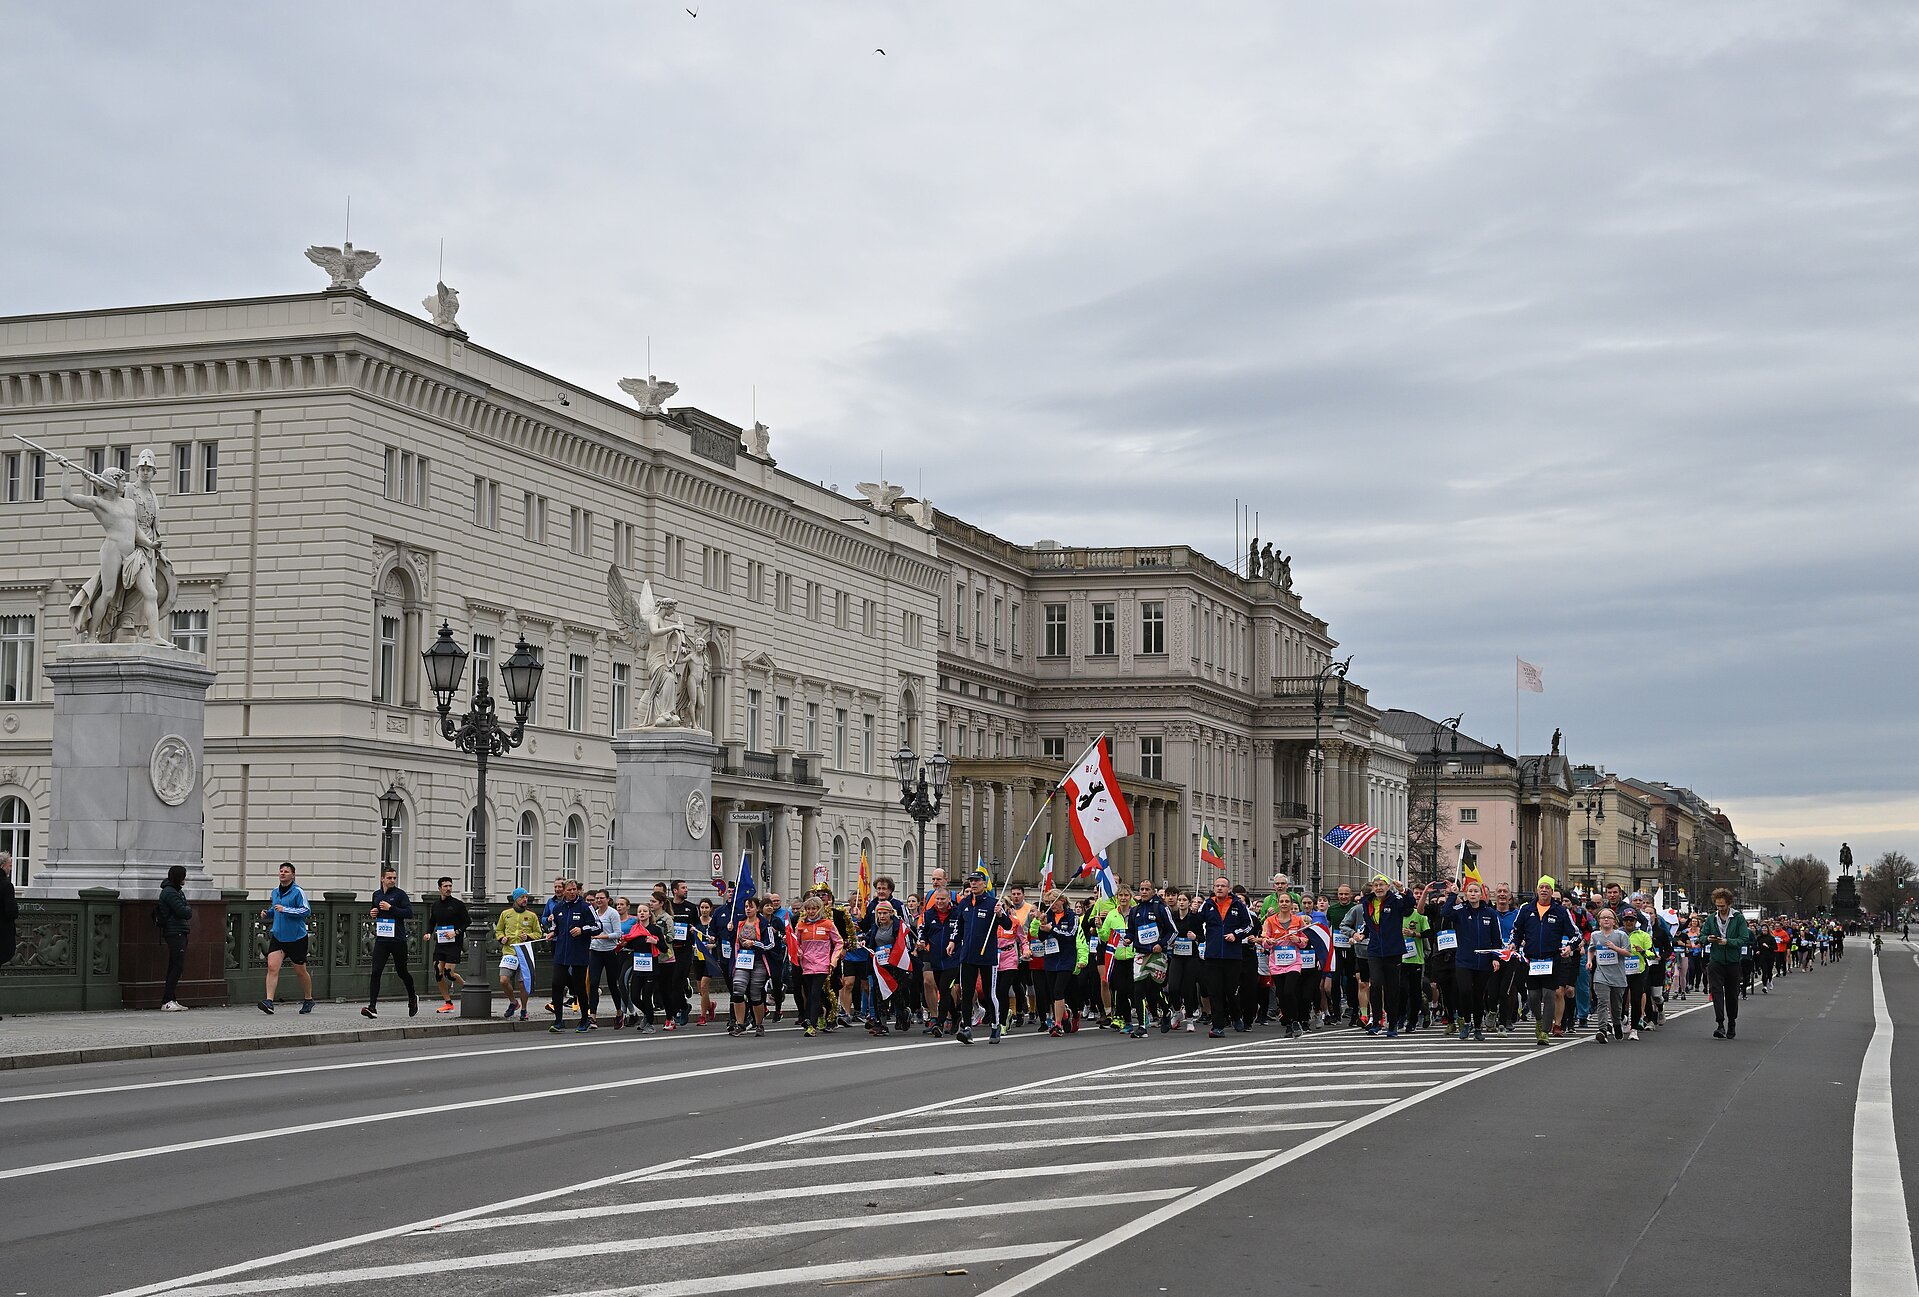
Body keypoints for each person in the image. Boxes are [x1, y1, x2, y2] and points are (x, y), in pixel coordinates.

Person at [1505, 877, 1576, 1047]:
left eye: (1547, 888)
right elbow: (1517, 931)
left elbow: (1575, 934)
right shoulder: (1526, 909)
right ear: (1537, 890)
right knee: (1533, 996)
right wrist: (1514, 942)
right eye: (1541, 887)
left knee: (1550, 994)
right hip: (1532, 960)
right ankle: (1538, 1019)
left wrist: (1569, 947)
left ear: (1552, 891)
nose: (1544, 890)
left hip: (1552, 959)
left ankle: (1545, 1031)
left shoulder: (1560, 911)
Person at [950, 869, 1011, 1044]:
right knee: (966, 992)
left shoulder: (993, 903)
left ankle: (995, 1025)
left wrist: (1000, 914)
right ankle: (967, 1028)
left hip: (987, 955)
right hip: (967, 955)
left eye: (977, 881)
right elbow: (959, 927)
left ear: (984, 883)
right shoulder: (964, 903)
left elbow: (1007, 925)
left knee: (990, 992)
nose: (973, 884)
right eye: (971, 881)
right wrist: (953, 942)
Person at [1193, 874, 1254, 1038]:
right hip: (1212, 955)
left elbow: (1249, 926)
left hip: (1232, 956)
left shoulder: (1237, 904)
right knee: (1215, 991)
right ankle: (1218, 1025)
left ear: (1228, 889)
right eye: (1217, 885)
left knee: (1231, 991)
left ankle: (1236, 1015)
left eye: (1222, 886)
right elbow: (1197, 923)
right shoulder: (1208, 904)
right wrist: (1193, 913)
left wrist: (1236, 934)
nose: (1219, 888)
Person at [1357, 874, 1415, 1038]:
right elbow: (1369, 925)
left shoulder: (1395, 901)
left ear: (1388, 887)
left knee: (1392, 989)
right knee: (1375, 985)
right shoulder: (1368, 903)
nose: (1379, 888)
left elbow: (1410, 906)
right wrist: (1362, 935)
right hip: (1375, 950)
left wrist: (1403, 890)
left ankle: (1393, 1024)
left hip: (1393, 951)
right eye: (1376, 885)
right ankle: (1376, 1022)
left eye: (1382, 885)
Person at [1442, 880, 1499, 1041]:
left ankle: (1478, 1027)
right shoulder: (1461, 910)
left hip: (1483, 961)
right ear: (1466, 894)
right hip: (1464, 960)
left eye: (1476, 891)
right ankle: (1466, 1022)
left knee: (1478, 995)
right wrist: (1453, 894)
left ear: (1481, 895)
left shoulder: (1489, 913)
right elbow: (1445, 913)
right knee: (1465, 991)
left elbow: (1496, 939)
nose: (1473, 894)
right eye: (1470, 891)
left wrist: (1495, 957)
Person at [257, 862, 315, 1014]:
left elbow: (306, 910)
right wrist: (267, 913)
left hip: (296, 937)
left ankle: (308, 999)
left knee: (300, 971)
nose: (282, 874)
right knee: (272, 967)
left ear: (293, 875)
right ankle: (269, 1001)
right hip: (278, 936)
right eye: (281, 871)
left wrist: (286, 909)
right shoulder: (275, 891)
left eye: (286, 872)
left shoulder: (298, 892)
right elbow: (275, 909)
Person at [544, 878, 600, 1033]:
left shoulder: (585, 907)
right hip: (561, 952)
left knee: (579, 987)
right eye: (569, 890)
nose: (572, 892)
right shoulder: (558, 908)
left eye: (574, 889)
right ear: (564, 891)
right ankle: (558, 1021)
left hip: (579, 952)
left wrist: (582, 930)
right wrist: (552, 933)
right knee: (557, 984)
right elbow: (556, 927)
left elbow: (597, 926)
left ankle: (584, 1019)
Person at [363, 866, 418, 1019]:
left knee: (402, 971)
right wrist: (373, 912)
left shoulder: (400, 895)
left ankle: (412, 998)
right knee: (376, 972)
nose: (392, 880)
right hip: (382, 939)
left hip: (398, 939)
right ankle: (372, 1007)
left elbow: (409, 913)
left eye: (394, 878)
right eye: (389, 878)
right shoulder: (377, 894)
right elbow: (375, 910)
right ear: (382, 879)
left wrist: (391, 907)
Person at [791, 894, 843, 1038]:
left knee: (814, 993)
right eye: (808, 909)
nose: (811, 912)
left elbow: (839, 942)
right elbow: (796, 943)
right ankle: (820, 1013)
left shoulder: (827, 924)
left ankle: (811, 1024)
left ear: (819, 909)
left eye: (814, 909)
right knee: (810, 993)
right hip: (806, 964)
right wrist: (799, 952)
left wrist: (833, 961)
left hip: (822, 964)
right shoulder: (801, 925)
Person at [1703, 888, 1750, 1040]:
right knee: (1716, 992)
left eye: (1722, 906)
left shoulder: (1738, 918)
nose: (1720, 908)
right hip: (1715, 961)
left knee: (1731, 994)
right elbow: (1701, 936)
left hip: (1732, 962)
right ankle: (1720, 1024)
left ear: (1729, 904)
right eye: (1717, 906)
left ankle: (1732, 1022)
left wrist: (1728, 942)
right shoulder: (1711, 918)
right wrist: (1708, 939)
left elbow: (1744, 938)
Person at [728, 895, 774, 1037]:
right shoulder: (740, 923)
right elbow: (733, 942)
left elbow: (770, 944)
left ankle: (759, 1024)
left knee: (755, 994)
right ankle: (740, 1024)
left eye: (751, 906)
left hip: (758, 961)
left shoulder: (764, 924)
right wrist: (730, 931)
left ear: (757, 908)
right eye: (746, 906)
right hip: (742, 960)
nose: (748, 909)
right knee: (737, 990)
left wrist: (754, 944)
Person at [494, 887, 542, 1019]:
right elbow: (498, 930)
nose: (525, 899)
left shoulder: (531, 916)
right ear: (515, 899)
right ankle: (513, 1002)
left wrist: (528, 936)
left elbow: (539, 933)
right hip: (509, 952)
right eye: (522, 897)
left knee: (523, 983)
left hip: (524, 953)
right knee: (503, 980)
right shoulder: (506, 914)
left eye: (526, 897)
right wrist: (501, 938)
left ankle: (524, 1009)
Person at [1587, 908, 1632, 1042]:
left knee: (1616, 1005)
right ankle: (1602, 1029)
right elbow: (1591, 950)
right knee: (1602, 1002)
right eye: (1603, 918)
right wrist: (1589, 961)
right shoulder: (1595, 935)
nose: (1606, 920)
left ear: (1614, 921)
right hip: (1601, 975)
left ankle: (1617, 1023)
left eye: (1609, 918)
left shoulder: (1621, 935)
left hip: (1618, 975)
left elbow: (1628, 953)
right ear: (1599, 921)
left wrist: (1614, 948)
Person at [426, 877, 470, 1013]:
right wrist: (428, 932)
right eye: (445, 886)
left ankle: (470, 989)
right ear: (439, 888)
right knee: (438, 972)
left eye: (450, 886)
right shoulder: (436, 905)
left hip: (454, 943)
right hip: (441, 942)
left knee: (449, 974)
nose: (448, 888)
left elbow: (467, 922)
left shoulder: (458, 904)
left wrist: (456, 933)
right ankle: (448, 1003)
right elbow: (432, 921)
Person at [586, 888, 628, 1028]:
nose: (598, 900)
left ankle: (619, 1012)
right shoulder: (594, 913)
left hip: (610, 951)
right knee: (593, 983)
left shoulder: (613, 913)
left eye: (601, 898)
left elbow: (618, 934)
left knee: (612, 984)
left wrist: (601, 936)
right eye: (596, 898)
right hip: (595, 951)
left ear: (608, 899)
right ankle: (592, 1016)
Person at [156, 864, 192, 1010]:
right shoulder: (170, 892)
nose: (185, 878)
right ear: (179, 877)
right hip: (174, 931)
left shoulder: (175, 891)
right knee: (177, 966)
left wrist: (186, 909)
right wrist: (186, 909)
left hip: (178, 930)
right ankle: (167, 1000)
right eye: (183, 875)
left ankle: (171, 998)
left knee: (175, 966)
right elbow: (184, 911)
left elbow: (185, 909)